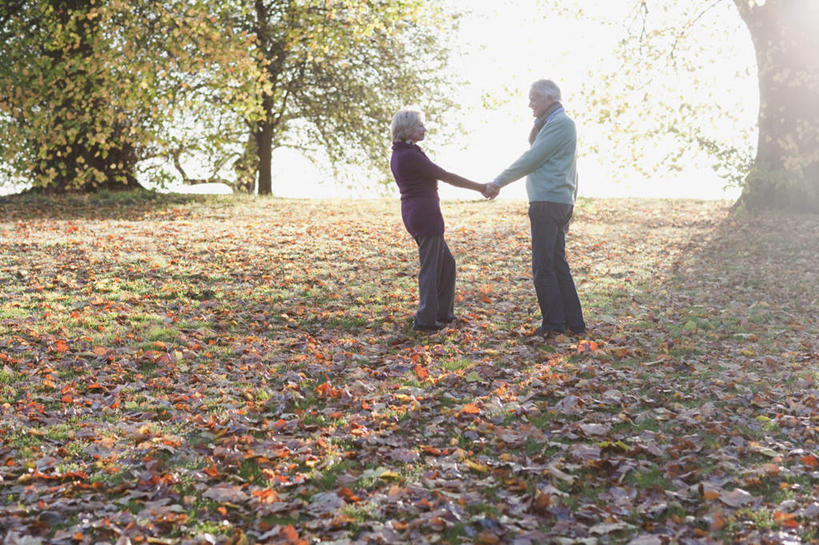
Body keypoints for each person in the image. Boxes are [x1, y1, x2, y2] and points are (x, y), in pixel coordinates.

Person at [484, 79, 586, 338]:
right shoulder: (555, 124)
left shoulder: (560, 124)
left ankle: (553, 324)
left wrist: (498, 182)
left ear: (550, 98)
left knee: (544, 266)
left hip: (547, 202)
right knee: (556, 263)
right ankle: (573, 323)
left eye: (534, 98)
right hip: (556, 200)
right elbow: (568, 166)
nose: (529, 103)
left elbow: (532, 158)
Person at [390, 108, 493, 331]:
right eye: (419, 125)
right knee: (431, 267)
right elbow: (445, 176)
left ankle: (443, 313)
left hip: (417, 212)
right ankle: (425, 319)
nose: (424, 129)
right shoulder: (408, 155)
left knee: (446, 264)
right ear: (407, 127)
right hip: (424, 214)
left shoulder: (406, 151)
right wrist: (480, 187)